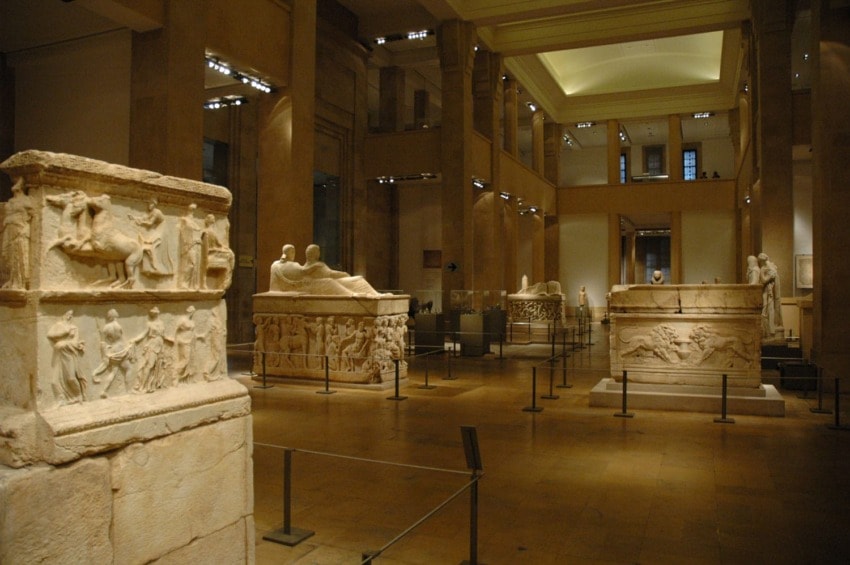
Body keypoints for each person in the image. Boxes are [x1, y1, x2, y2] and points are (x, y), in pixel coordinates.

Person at [48, 310, 87, 404]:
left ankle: (79, 396)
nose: (69, 316)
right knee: (54, 381)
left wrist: (63, 343)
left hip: (69, 353)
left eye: (71, 315)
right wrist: (65, 333)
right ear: (63, 315)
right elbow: (50, 335)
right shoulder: (58, 325)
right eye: (67, 314)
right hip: (58, 355)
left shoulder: (74, 328)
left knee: (71, 378)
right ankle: (62, 399)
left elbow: (75, 342)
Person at [92, 309, 134, 398]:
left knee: (113, 372)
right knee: (128, 368)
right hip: (121, 348)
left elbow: (103, 342)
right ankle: (129, 390)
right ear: (115, 315)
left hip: (113, 350)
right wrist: (128, 347)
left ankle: (104, 390)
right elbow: (122, 338)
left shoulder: (106, 327)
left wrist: (106, 353)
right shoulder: (118, 326)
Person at [2, 179, 35, 289]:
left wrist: (26, 228)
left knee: (20, 253)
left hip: (20, 229)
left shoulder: (27, 201)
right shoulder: (10, 202)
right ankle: (12, 280)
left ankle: (20, 282)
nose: (15, 189)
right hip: (9, 229)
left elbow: (32, 214)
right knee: (7, 253)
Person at [128, 198, 172, 275]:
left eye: (151, 204)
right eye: (148, 204)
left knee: (154, 244)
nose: (149, 206)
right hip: (158, 228)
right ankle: (151, 266)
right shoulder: (151, 212)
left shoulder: (157, 212)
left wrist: (141, 223)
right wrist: (134, 218)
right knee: (150, 244)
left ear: (154, 205)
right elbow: (144, 218)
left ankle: (156, 266)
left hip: (162, 228)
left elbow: (150, 223)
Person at [133, 306, 167, 392]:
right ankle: (142, 385)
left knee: (157, 366)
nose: (154, 314)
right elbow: (144, 334)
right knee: (150, 365)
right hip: (152, 344)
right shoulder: (149, 323)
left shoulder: (162, 323)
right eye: (153, 313)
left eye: (155, 312)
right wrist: (135, 340)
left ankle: (152, 385)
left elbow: (163, 335)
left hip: (160, 345)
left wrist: (171, 339)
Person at [758, 253, 784, 338]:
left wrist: (772, 276)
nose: (765, 262)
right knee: (765, 308)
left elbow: (775, 278)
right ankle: (768, 329)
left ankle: (772, 327)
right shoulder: (762, 269)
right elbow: (763, 280)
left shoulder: (773, 266)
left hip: (773, 290)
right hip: (766, 291)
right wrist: (770, 276)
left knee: (772, 307)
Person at [178, 204, 203, 289]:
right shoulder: (184, 220)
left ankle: (193, 285)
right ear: (187, 210)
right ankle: (184, 283)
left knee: (196, 266)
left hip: (197, 245)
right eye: (191, 210)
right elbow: (182, 233)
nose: (192, 212)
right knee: (191, 264)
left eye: (193, 210)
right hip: (190, 245)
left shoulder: (195, 222)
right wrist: (188, 244)